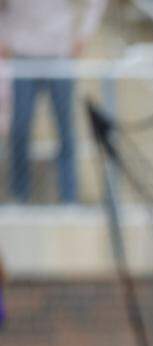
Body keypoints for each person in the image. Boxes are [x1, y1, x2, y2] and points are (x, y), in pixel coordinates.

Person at [2, 0, 106, 203]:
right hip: (21, 56)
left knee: (65, 131)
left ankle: (69, 199)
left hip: (59, 56)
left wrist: (84, 34)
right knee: (19, 130)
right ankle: (19, 196)